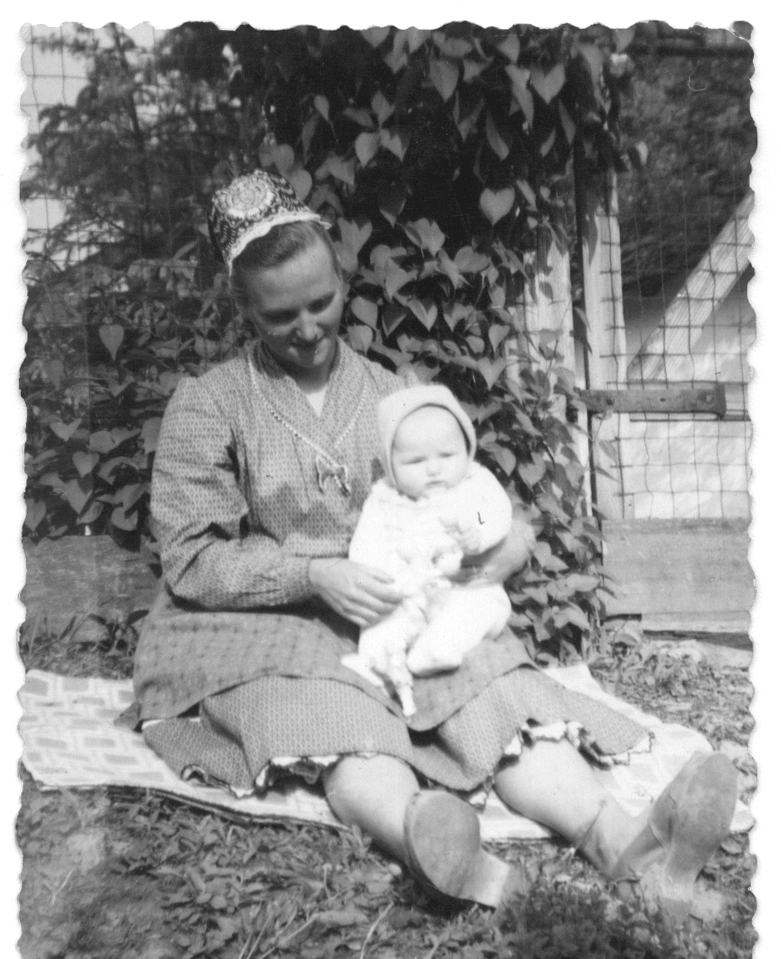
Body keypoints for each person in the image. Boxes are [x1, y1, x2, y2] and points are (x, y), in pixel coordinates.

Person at [131, 169, 737, 918]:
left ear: (342, 281)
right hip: (277, 618)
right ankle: (443, 848)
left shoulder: (395, 395)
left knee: (489, 691)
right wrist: (313, 575)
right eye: (281, 315)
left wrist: (505, 543)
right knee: (338, 721)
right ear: (243, 308)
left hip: (403, 606)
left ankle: (627, 846)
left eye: (321, 303)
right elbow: (192, 557)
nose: (309, 328)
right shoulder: (211, 404)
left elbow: (467, 493)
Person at [342, 385, 522, 717]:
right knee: (381, 624)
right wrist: (381, 578)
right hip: (407, 592)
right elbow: (367, 544)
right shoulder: (384, 499)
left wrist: (478, 534)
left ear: (466, 451)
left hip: (463, 587)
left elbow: (496, 512)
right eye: (415, 461)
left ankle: (438, 648)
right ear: (390, 466)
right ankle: (378, 664)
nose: (434, 469)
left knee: (479, 609)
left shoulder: (474, 484)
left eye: (446, 456)